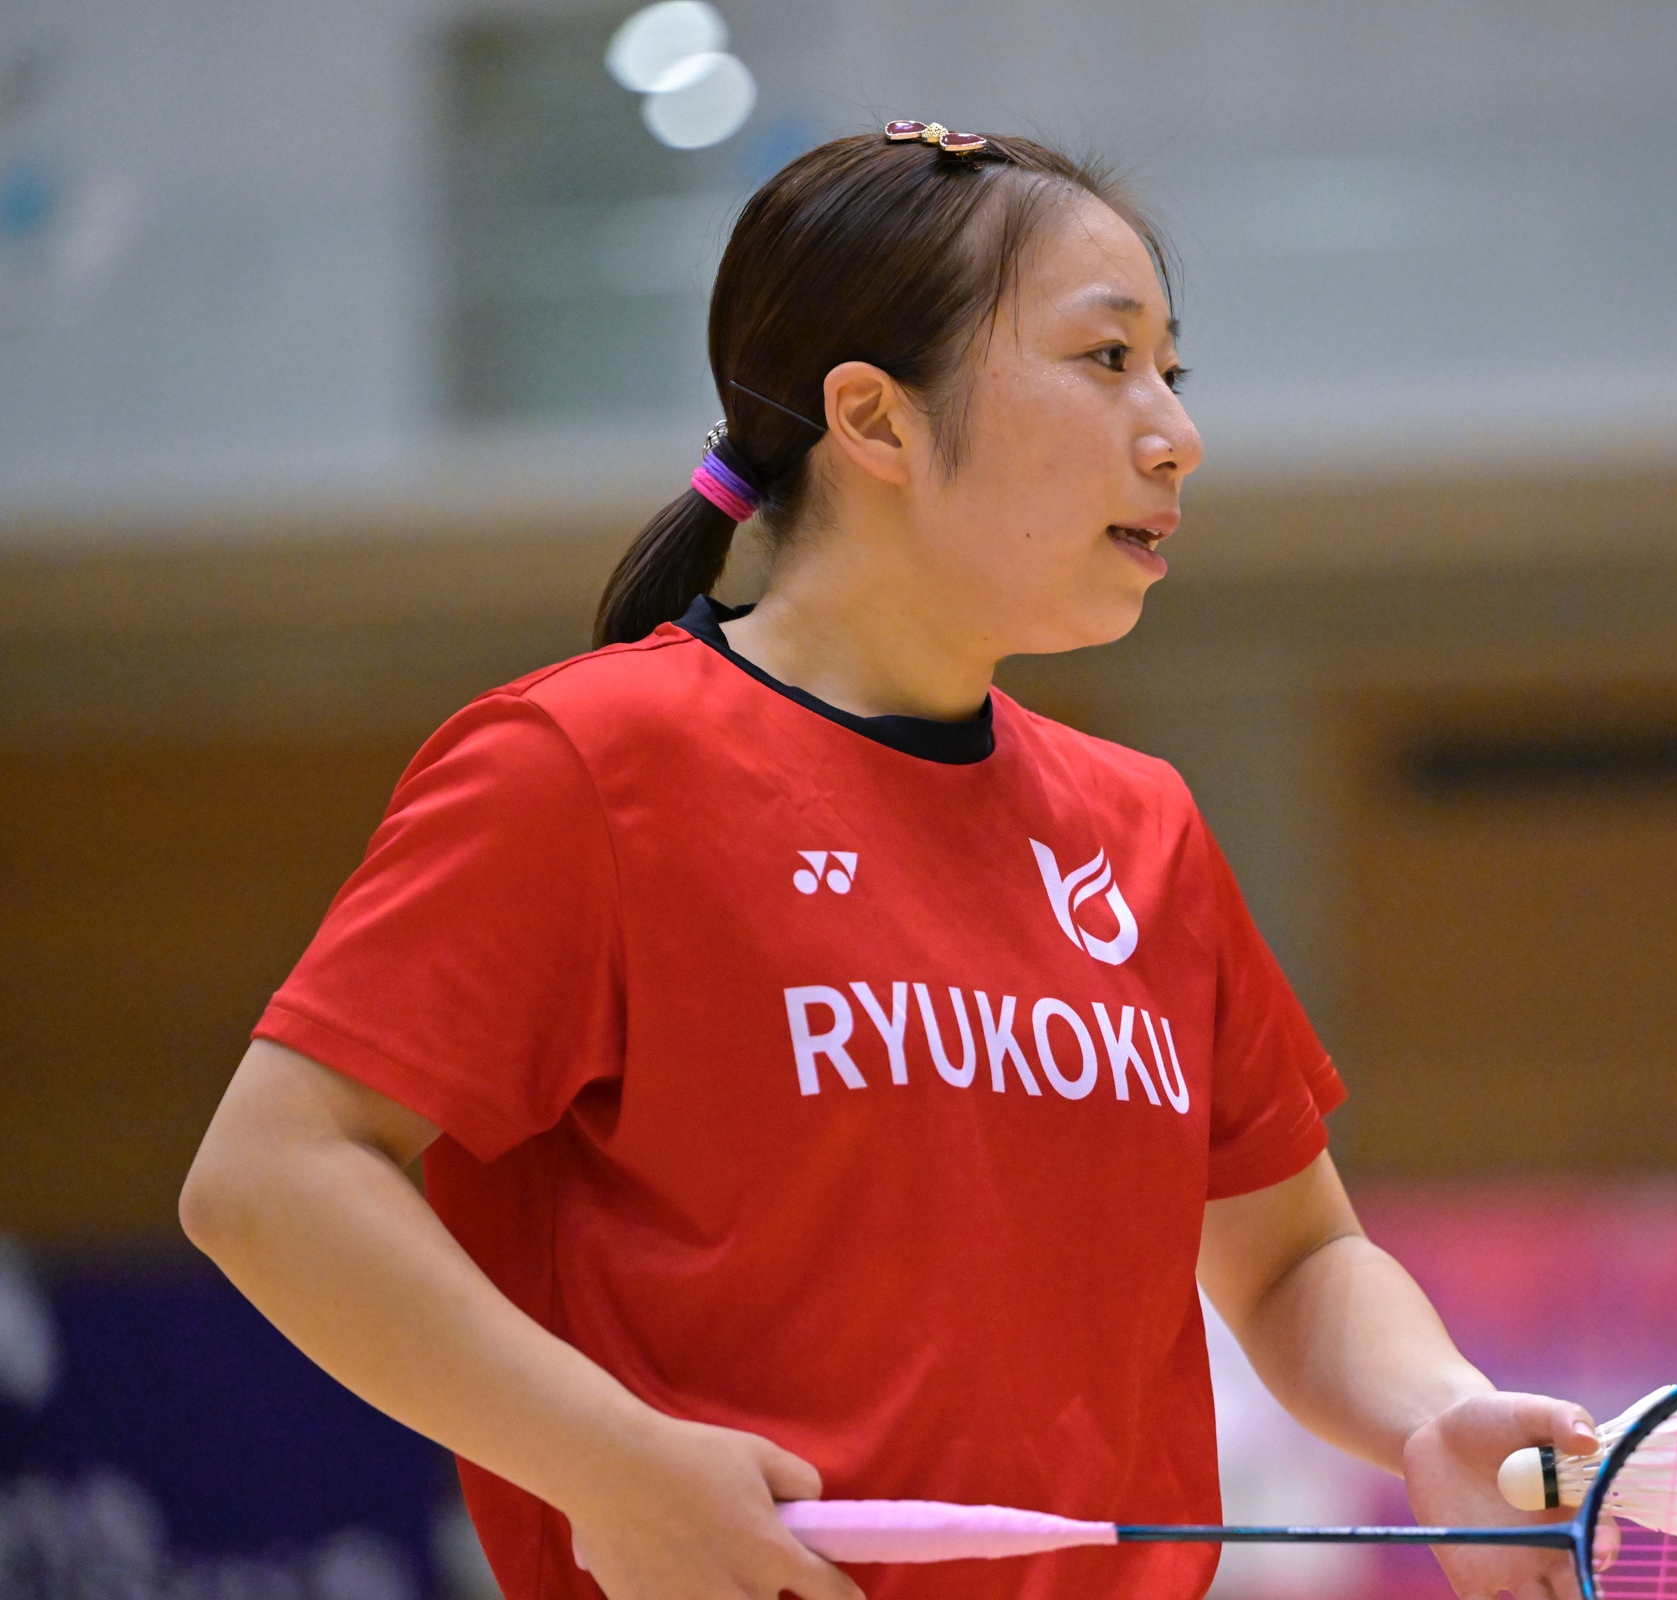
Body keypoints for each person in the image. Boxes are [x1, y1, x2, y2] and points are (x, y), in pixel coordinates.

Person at [180, 123, 1604, 1600]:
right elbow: (275, 1175)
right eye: (1107, 359)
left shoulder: (1143, 828)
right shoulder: (587, 769)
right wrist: (603, 1461)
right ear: (874, 419)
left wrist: (1434, 1411)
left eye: (1175, 372)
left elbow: (1292, 1258)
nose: (1177, 432)